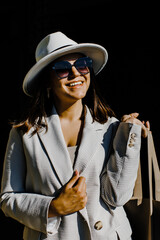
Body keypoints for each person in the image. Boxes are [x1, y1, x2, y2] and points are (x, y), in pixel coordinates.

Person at [0, 32, 150, 240]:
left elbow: (116, 197)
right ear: (47, 81)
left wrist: (130, 138)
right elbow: (8, 199)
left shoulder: (111, 127)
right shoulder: (24, 133)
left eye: (82, 64)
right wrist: (53, 207)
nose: (75, 73)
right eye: (62, 69)